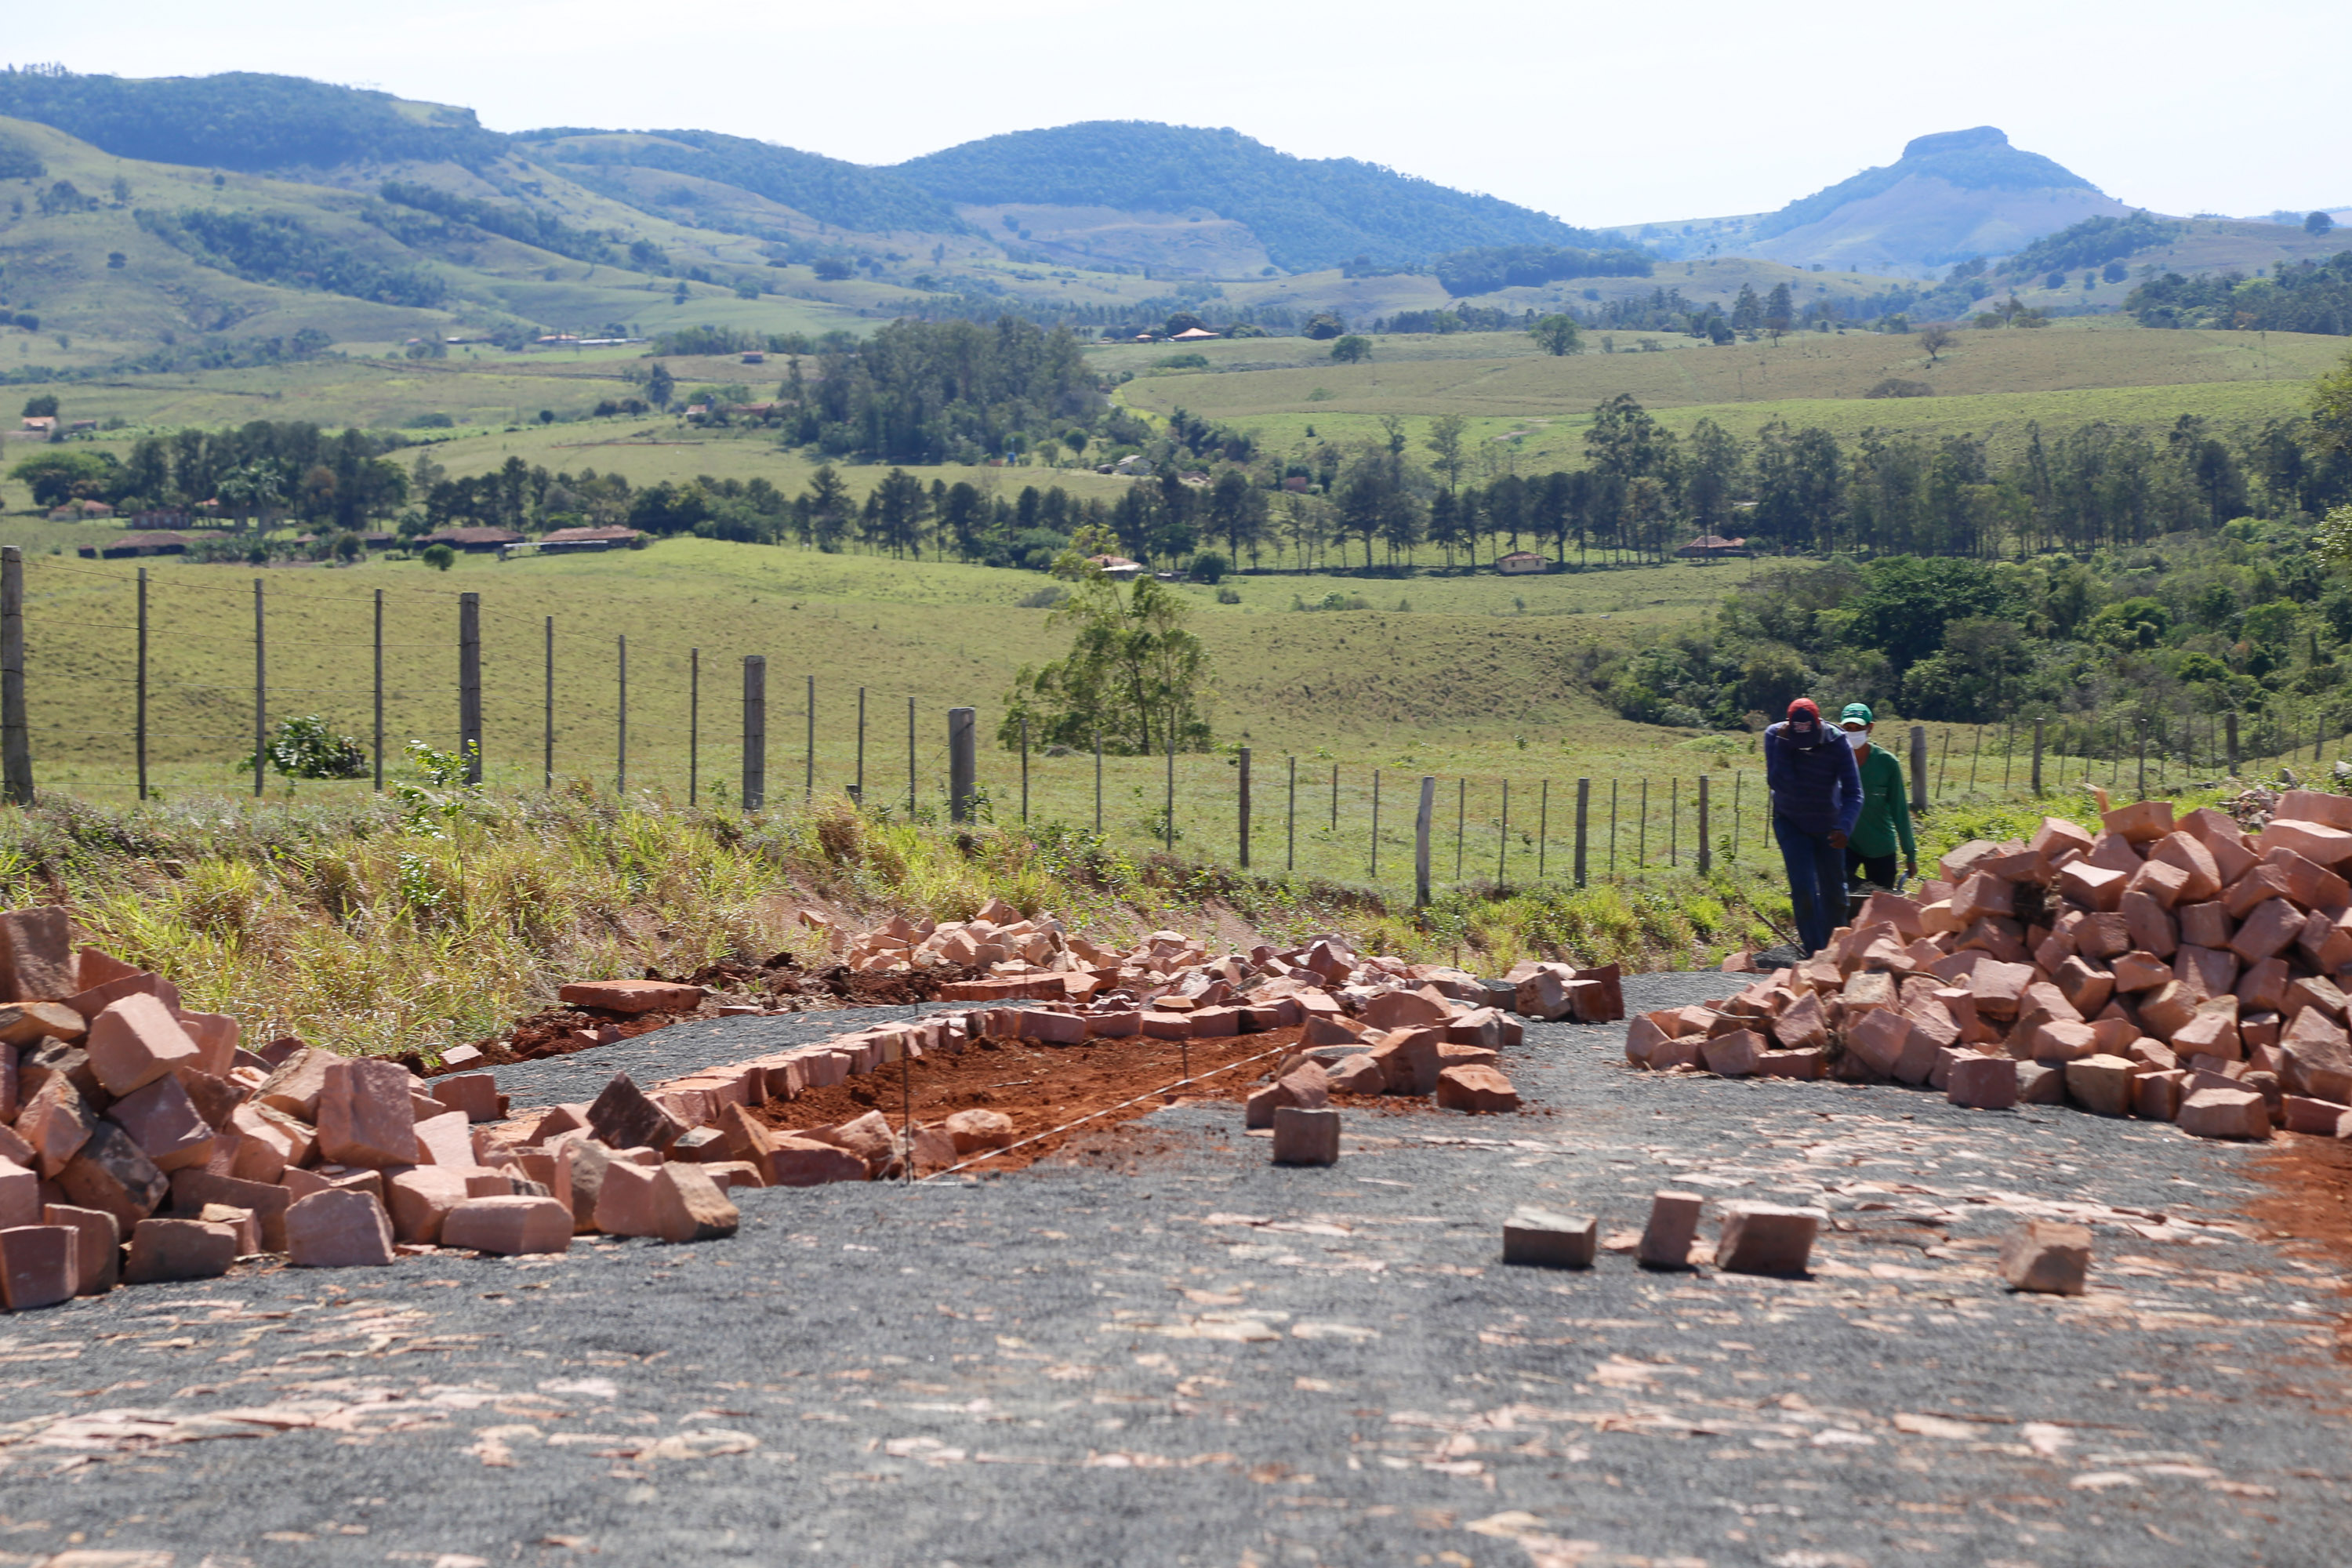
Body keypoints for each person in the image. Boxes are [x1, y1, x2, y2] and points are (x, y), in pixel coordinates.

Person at [1764, 696, 1862, 956]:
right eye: (1800, 741)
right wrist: (1784, 744)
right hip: (1791, 822)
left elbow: (1854, 793)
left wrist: (1845, 826)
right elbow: (1780, 784)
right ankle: (1815, 956)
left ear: (1819, 725)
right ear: (1789, 727)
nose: (1805, 746)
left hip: (1829, 825)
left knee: (1835, 895)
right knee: (1804, 890)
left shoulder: (1838, 742)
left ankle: (1837, 954)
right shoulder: (1775, 736)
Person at [1837, 702, 1917, 891]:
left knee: (1880, 901)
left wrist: (1910, 854)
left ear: (1870, 727)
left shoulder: (1887, 763)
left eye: (1858, 728)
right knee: (1837, 894)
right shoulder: (1835, 760)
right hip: (1845, 843)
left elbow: (1899, 811)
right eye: (1848, 728)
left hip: (1880, 847)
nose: (1853, 732)